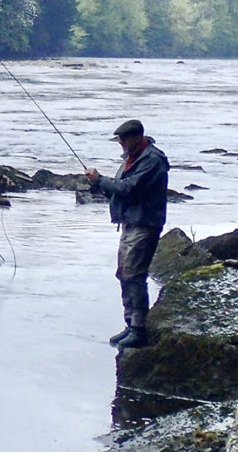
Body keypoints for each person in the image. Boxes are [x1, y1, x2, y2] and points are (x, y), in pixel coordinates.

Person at [84, 119, 169, 349]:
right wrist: (97, 184)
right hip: (130, 222)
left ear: (137, 137)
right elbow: (120, 191)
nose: (120, 144)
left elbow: (128, 188)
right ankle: (130, 323)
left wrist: (100, 179)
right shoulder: (132, 159)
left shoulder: (152, 160)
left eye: (123, 140)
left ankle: (139, 329)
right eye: (119, 140)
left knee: (134, 275)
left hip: (145, 224)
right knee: (124, 274)